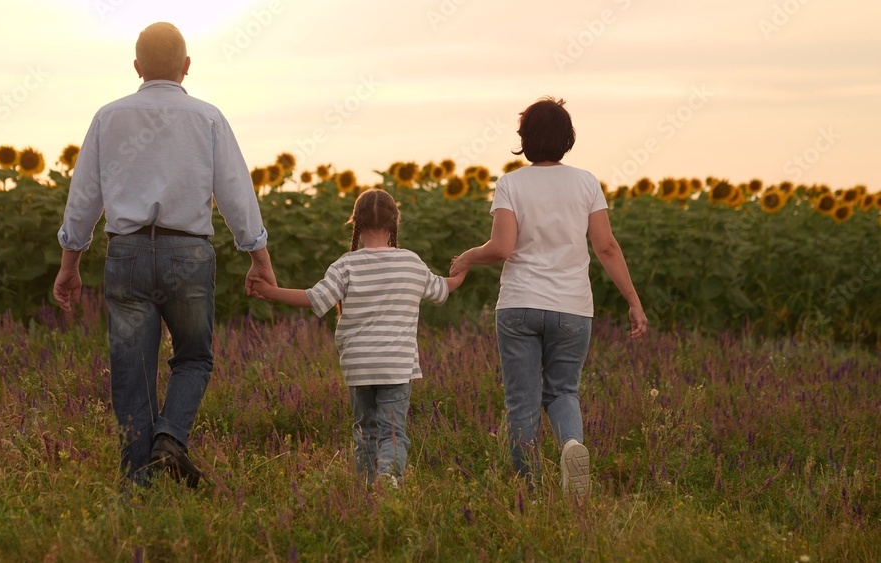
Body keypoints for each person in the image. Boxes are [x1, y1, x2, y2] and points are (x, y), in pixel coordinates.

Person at [52, 22, 276, 489]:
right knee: (193, 357)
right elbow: (236, 191)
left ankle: (138, 482)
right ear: (187, 66)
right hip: (188, 254)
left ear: (136, 67)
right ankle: (170, 437)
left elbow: (84, 196)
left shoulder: (108, 117)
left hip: (126, 253)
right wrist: (259, 257)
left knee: (130, 370)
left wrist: (69, 264)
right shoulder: (208, 117)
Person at [450, 97, 647, 498]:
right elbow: (606, 247)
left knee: (521, 400)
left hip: (520, 304)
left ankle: (529, 490)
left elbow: (502, 248)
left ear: (524, 139)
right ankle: (572, 445)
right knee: (563, 391)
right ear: (567, 139)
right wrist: (633, 301)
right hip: (573, 308)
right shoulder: (587, 182)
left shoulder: (511, 183)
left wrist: (469, 257)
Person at [251, 188, 466, 488]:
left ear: (356, 224)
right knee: (393, 431)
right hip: (396, 366)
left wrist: (271, 292)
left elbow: (315, 299)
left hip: (359, 366)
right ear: (394, 223)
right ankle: (388, 478)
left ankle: (367, 486)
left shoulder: (346, 265)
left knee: (366, 429)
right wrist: (461, 271)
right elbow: (442, 290)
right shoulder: (411, 262)